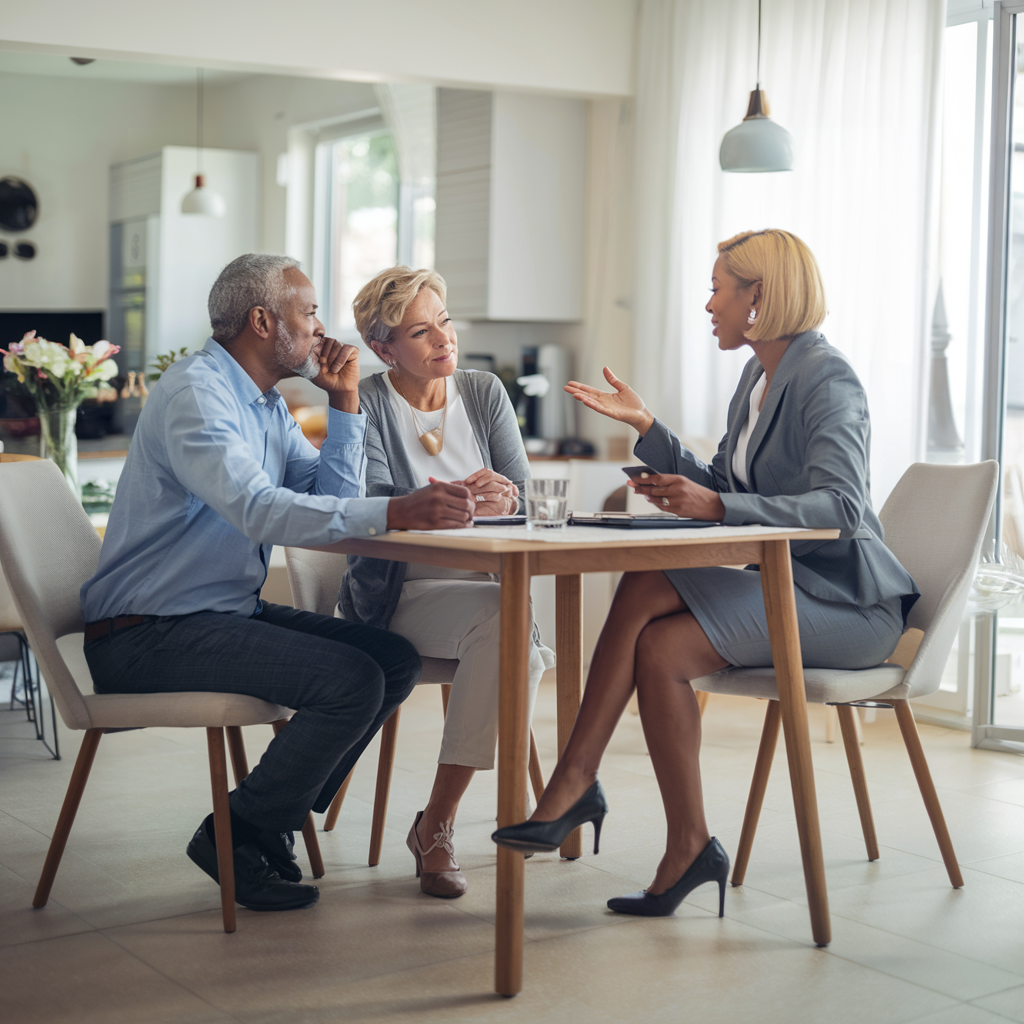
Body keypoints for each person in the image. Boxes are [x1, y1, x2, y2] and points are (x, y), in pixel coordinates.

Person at [492, 229, 919, 918]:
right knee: (659, 649)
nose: (708, 302)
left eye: (719, 287)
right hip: (792, 589)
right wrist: (650, 429)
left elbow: (839, 506)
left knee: (645, 582)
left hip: (850, 608)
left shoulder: (826, 376)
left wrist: (718, 504)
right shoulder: (757, 376)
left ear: (760, 296)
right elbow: (724, 481)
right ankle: (687, 845)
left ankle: (573, 784)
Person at [81, 254, 476, 913]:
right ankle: (237, 830)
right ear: (264, 322)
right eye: (310, 312)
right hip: (147, 632)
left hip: (217, 615)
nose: (323, 329)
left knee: (391, 658)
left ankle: (266, 818)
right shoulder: (197, 396)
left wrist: (345, 403)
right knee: (348, 682)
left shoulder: (264, 403)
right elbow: (259, 508)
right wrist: (396, 509)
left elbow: (331, 500)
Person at [338, 266, 554, 898]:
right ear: (384, 350)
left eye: (445, 323)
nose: (443, 341)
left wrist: (505, 495)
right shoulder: (370, 401)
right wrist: (461, 494)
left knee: (505, 622)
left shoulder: (484, 392)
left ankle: (436, 821)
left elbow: (526, 499)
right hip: (395, 596)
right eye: (419, 332)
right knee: (516, 637)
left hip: (482, 589)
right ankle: (443, 826)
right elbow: (376, 503)